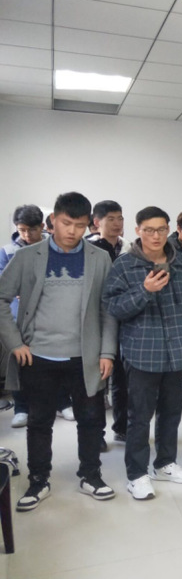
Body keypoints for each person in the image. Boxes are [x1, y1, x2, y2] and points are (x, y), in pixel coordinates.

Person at [0, 192, 117, 511]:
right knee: (39, 422)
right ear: (52, 221)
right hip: (38, 356)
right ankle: (38, 481)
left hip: (85, 357)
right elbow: (1, 297)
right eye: (66, 223)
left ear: (88, 225)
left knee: (90, 420)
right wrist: (15, 343)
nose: (72, 231)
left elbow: (107, 309)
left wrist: (107, 352)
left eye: (80, 225)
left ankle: (91, 476)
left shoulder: (99, 258)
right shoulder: (28, 256)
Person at [104, 206, 182, 501]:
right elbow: (113, 307)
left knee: (172, 413)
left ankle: (165, 463)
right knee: (139, 417)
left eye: (160, 229)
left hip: (176, 351)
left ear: (168, 229)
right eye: (149, 230)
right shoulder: (124, 265)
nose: (156, 236)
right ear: (138, 231)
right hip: (142, 353)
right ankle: (137, 474)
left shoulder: (181, 262)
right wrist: (145, 291)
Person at [0, 205, 73, 429]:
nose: (27, 235)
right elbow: (5, 286)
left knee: (57, 360)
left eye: (31, 230)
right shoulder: (7, 251)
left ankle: (62, 403)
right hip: (19, 316)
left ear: (42, 226)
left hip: (50, 315)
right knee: (21, 362)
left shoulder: (55, 248)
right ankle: (22, 408)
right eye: (22, 230)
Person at [87, 200, 131, 441]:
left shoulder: (128, 248)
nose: (117, 223)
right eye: (111, 219)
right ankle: (96, 433)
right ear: (97, 222)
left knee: (123, 378)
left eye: (120, 218)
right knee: (97, 379)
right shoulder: (89, 248)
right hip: (98, 319)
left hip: (124, 320)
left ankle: (122, 427)